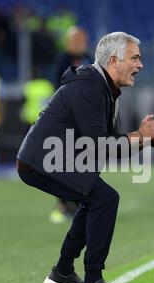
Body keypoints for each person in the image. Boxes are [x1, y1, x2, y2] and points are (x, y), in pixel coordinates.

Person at [16, 32, 154, 283]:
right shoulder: (90, 87)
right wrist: (143, 135)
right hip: (42, 160)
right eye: (135, 58)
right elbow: (101, 145)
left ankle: (63, 272)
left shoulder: (102, 87)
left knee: (95, 199)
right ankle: (92, 281)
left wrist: (150, 141)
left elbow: (113, 147)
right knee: (104, 198)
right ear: (114, 60)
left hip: (52, 158)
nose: (140, 65)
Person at [50, 26, 94, 224]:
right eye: (75, 39)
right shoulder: (61, 60)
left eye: (81, 39)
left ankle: (80, 203)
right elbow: (58, 87)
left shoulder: (90, 59)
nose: (79, 43)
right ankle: (62, 204)